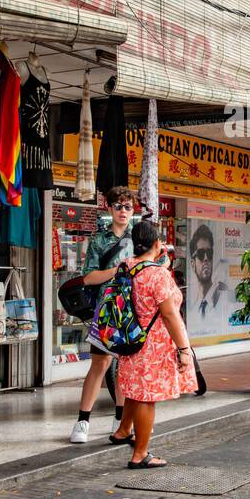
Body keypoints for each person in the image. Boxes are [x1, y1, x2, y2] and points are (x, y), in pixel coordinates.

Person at [110, 220, 197, 468]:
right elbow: (169, 314)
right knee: (146, 397)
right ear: (157, 244)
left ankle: (123, 431)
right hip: (152, 344)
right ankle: (140, 454)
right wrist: (183, 349)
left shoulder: (126, 266)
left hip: (129, 338)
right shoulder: (157, 274)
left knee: (134, 391)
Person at [69, 186, 136, 444]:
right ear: (109, 208)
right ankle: (82, 421)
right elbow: (88, 277)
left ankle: (121, 421)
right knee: (100, 365)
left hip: (130, 311)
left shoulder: (138, 239)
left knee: (124, 367)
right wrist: (117, 271)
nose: (122, 211)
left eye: (127, 207)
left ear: (133, 210)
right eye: (118, 206)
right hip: (106, 311)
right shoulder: (99, 241)